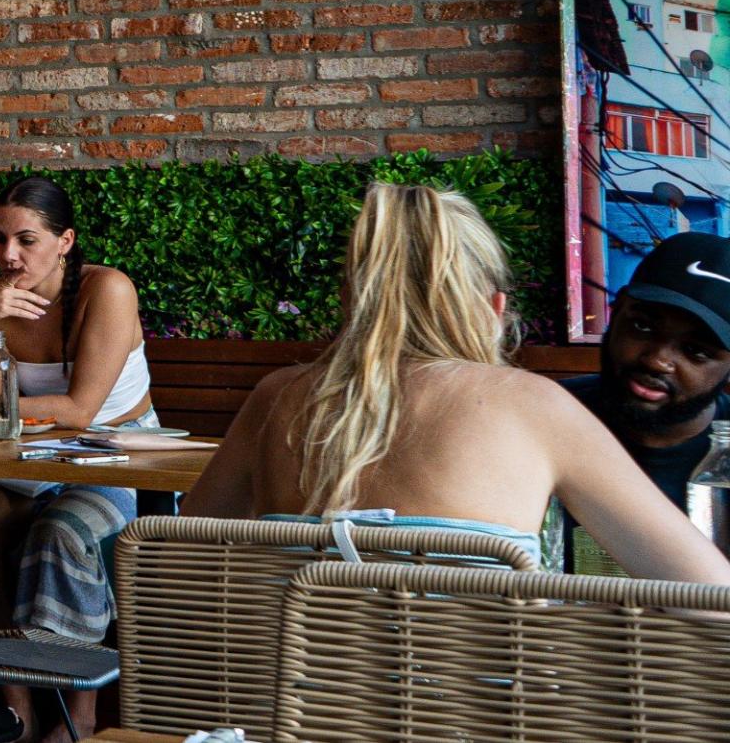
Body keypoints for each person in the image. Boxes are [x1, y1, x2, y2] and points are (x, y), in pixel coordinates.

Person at [188, 181, 730, 587]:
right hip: (484, 701)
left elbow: (183, 561)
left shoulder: (276, 396)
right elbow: (707, 594)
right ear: (495, 309)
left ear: (351, 299)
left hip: (293, 695)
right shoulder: (535, 406)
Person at [0, 176, 155, 743]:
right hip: (27, 457)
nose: (9, 254)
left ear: (65, 241)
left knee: (61, 532)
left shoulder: (107, 290)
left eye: (26, 240)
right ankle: (17, 705)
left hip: (114, 454)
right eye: (0, 238)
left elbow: (78, 410)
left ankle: (81, 713)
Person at [564, 232, 730, 513]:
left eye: (696, 351)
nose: (657, 361)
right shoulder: (538, 418)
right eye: (642, 326)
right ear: (615, 312)